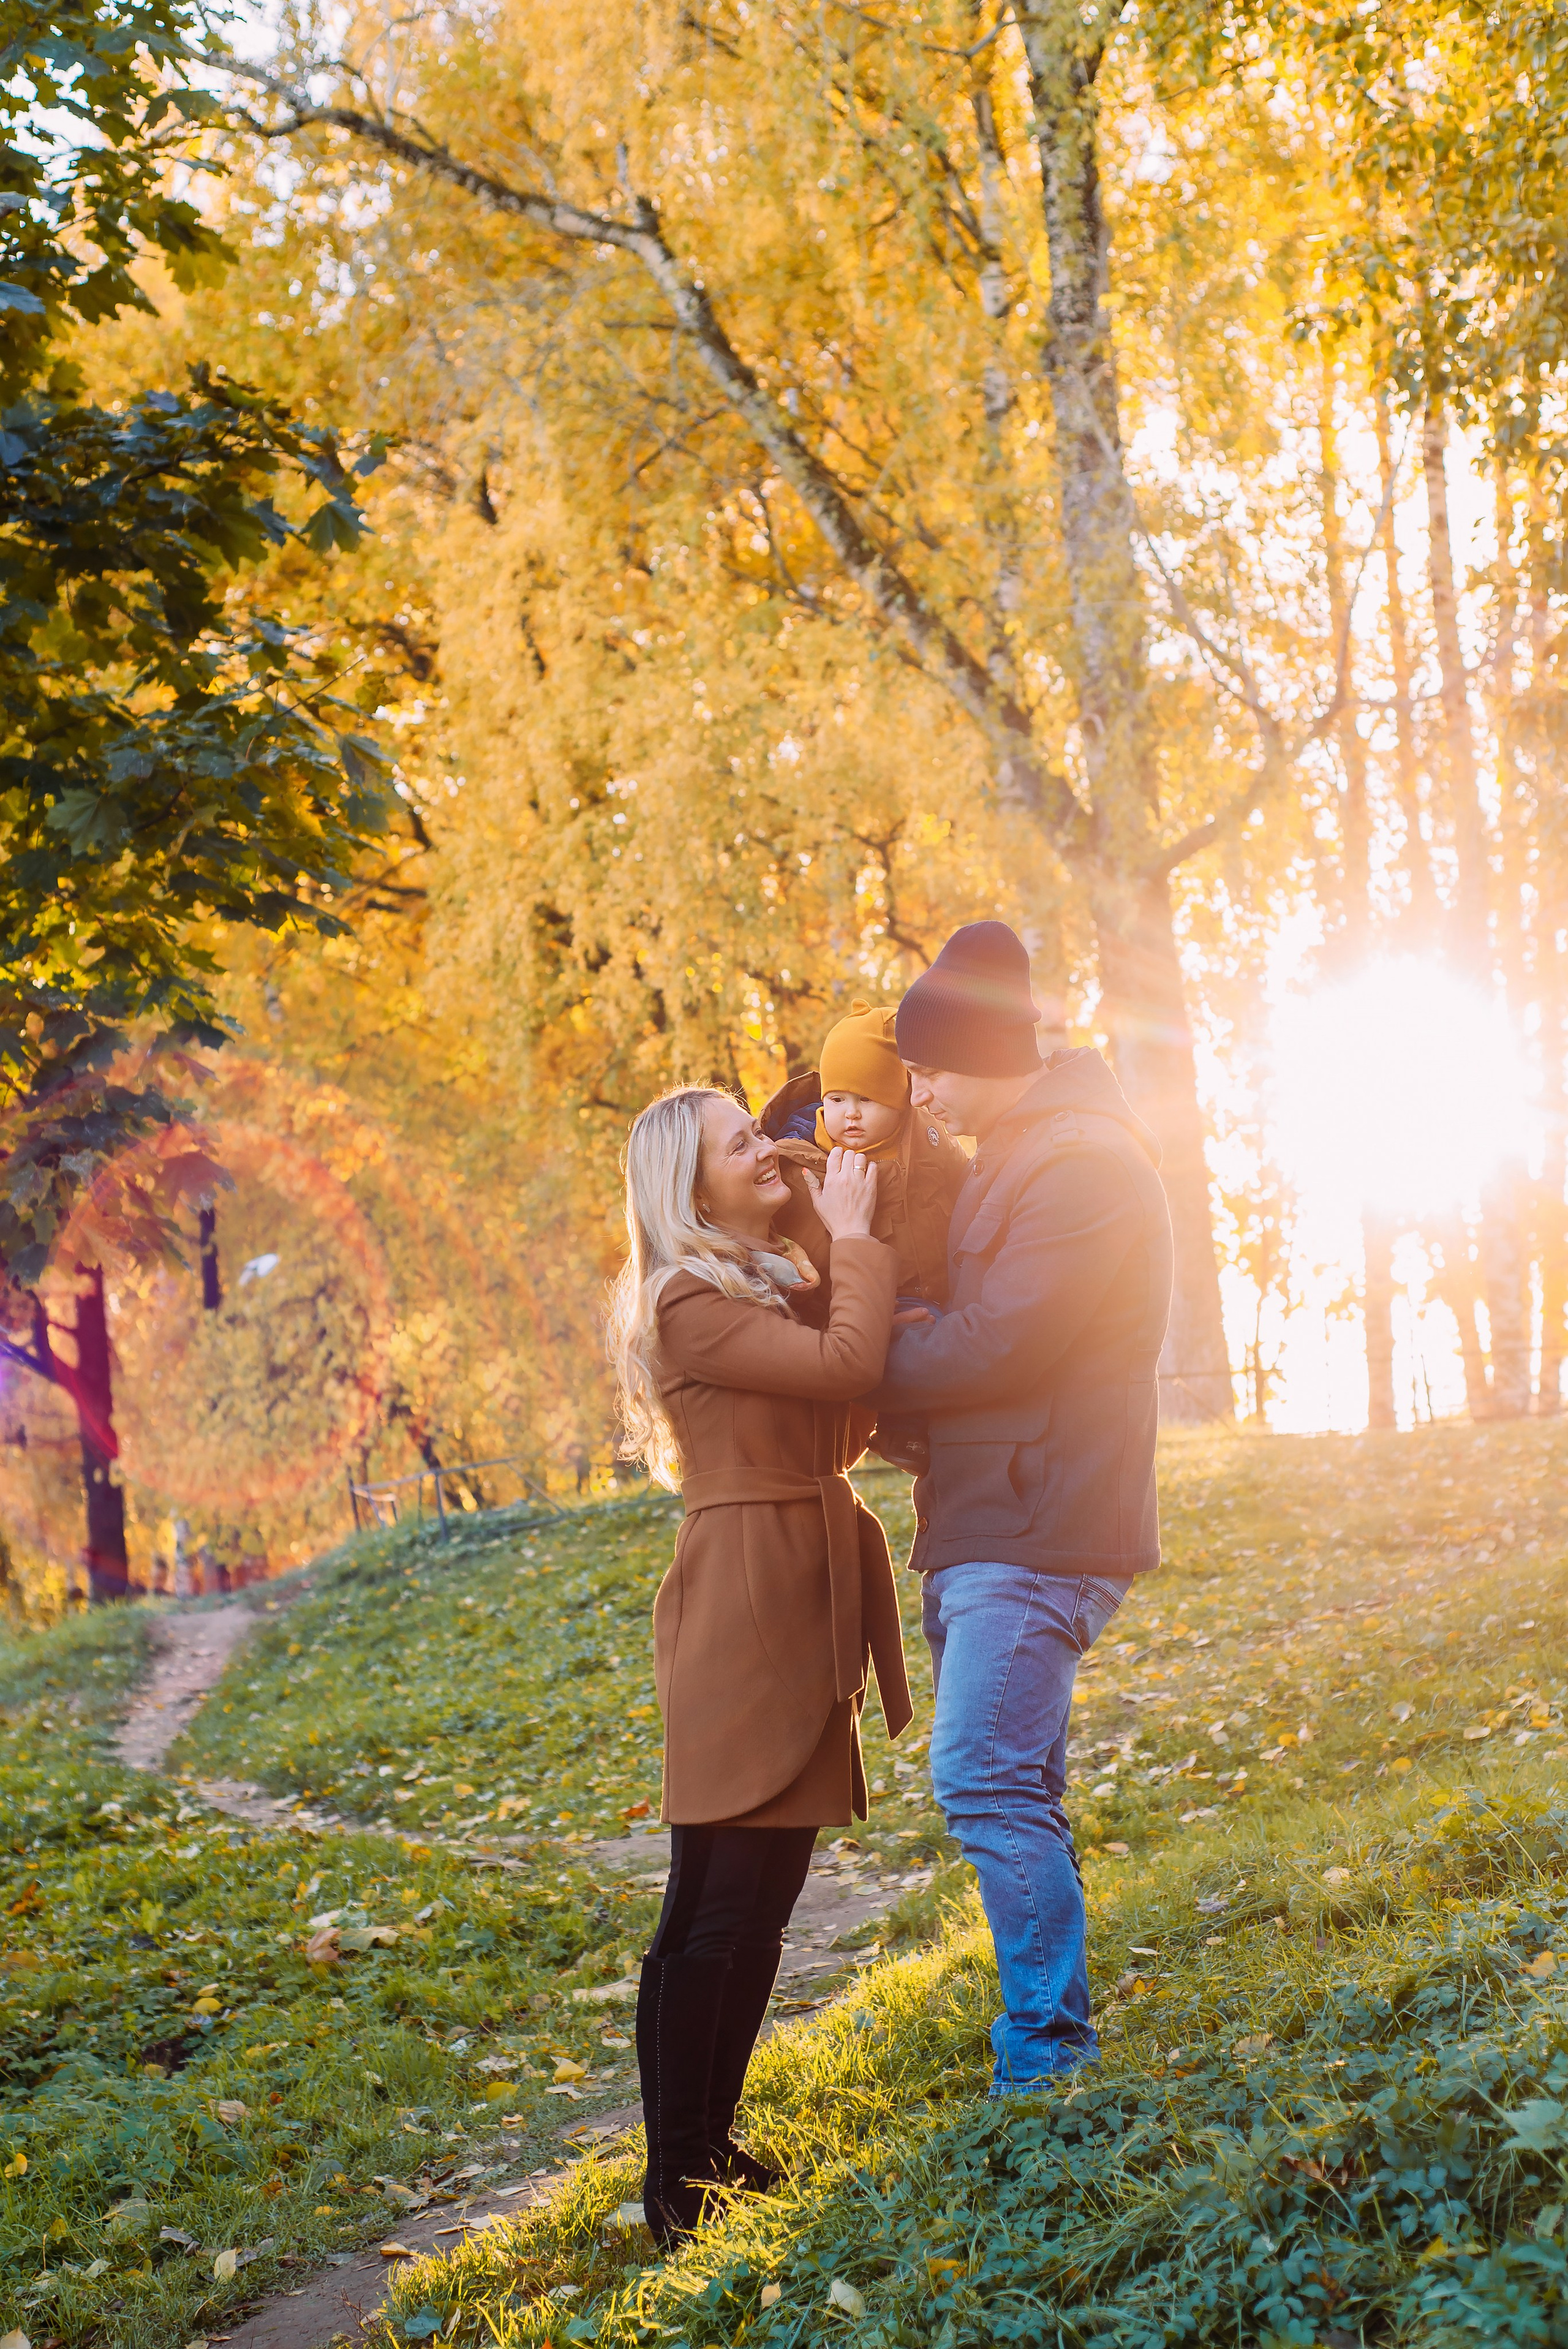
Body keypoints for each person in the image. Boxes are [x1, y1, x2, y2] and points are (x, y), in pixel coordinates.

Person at [607, 1085, 912, 2245]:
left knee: (767, 1896)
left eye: (755, 1128)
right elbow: (850, 1361)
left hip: (797, 1581)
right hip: (742, 1602)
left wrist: (831, 1233)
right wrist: (856, 1235)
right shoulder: (687, 1299)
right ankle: (676, 2176)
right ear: (691, 1187)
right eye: (737, 1141)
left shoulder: (765, 1280)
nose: (763, 1144)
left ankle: (712, 2145)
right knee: (713, 1901)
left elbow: (846, 1416)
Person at [875, 921, 1174, 2092]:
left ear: (987, 1055)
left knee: (984, 1780)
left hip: (1045, 1519)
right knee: (1015, 1785)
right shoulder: (1018, 1150)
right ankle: (1051, 2033)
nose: (921, 1094)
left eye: (930, 1070)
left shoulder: (1080, 1161)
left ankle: (1046, 2060)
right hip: (995, 1514)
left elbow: (1000, 1342)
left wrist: (861, 1357)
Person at [763, 998, 970, 1466]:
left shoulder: (928, 1135)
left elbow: (965, 1179)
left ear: (901, 1100)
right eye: (837, 1099)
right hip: (866, 1298)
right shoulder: (803, 1163)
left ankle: (932, 1431)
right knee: (905, 1350)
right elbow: (791, 1247)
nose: (850, 1115)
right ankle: (902, 1432)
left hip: (940, 1284)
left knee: (950, 1347)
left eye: (867, 1100)